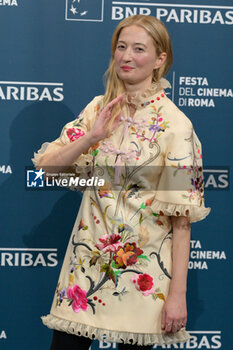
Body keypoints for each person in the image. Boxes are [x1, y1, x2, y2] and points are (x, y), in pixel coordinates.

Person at [32, 15, 210, 350]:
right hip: (84, 271)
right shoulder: (97, 110)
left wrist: (178, 296)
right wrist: (92, 136)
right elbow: (44, 172)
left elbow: (182, 221)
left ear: (160, 60)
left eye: (138, 49)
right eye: (121, 47)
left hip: (143, 276)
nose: (126, 56)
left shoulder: (176, 126)